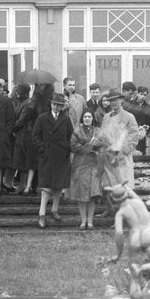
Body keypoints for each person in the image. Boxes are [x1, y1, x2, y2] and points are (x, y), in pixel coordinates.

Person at [33, 91, 74, 229]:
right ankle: (41, 214)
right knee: (46, 188)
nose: (56, 107)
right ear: (51, 104)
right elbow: (35, 136)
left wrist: (67, 148)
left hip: (61, 156)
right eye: (55, 104)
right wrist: (42, 149)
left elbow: (70, 136)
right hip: (47, 156)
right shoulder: (42, 118)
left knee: (58, 186)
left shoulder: (66, 119)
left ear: (62, 107)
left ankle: (54, 210)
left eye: (59, 105)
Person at [93, 87, 141, 190]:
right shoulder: (106, 117)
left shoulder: (129, 117)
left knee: (124, 189)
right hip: (108, 158)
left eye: (115, 100)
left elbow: (133, 135)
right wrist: (96, 142)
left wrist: (122, 151)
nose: (113, 103)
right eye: (111, 100)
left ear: (121, 100)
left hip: (122, 158)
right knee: (110, 189)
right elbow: (103, 135)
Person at [69, 109, 101, 230]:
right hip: (80, 165)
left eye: (89, 117)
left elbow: (102, 143)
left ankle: (90, 221)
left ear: (92, 119)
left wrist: (95, 146)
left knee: (92, 194)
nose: (87, 119)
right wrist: (88, 147)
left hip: (94, 165)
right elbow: (73, 145)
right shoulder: (77, 132)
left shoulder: (97, 131)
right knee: (81, 194)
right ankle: (83, 221)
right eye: (85, 117)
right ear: (82, 119)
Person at [10, 83, 39, 195]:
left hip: (26, 135)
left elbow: (22, 120)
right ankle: (24, 186)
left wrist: (12, 129)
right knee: (21, 162)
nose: (17, 93)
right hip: (21, 135)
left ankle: (25, 186)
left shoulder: (28, 104)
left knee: (24, 161)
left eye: (19, 91)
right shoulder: (22, 102)